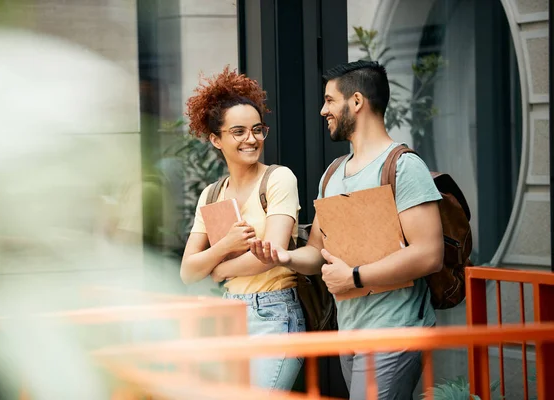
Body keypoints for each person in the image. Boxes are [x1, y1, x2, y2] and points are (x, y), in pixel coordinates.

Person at [249, 60, 444, 400]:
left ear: (356, 101)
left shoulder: (403, 166)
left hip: (393, 332)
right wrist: (284, 256)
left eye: (329, 100)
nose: (323, 110)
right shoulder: (333, 173)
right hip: (350, 331)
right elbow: (318, 252)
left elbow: (429, 254)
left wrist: (354, 277)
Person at [180, 66, 305, 391]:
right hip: (227, 316)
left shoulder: (278, 178)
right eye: (238, 132)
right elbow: (188, 271)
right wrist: (225, 246)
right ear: (215, 139)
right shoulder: (211, 194)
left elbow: (272, 253)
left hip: (274, 313)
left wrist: (218, 269)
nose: (251, 139)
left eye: (257, 129)